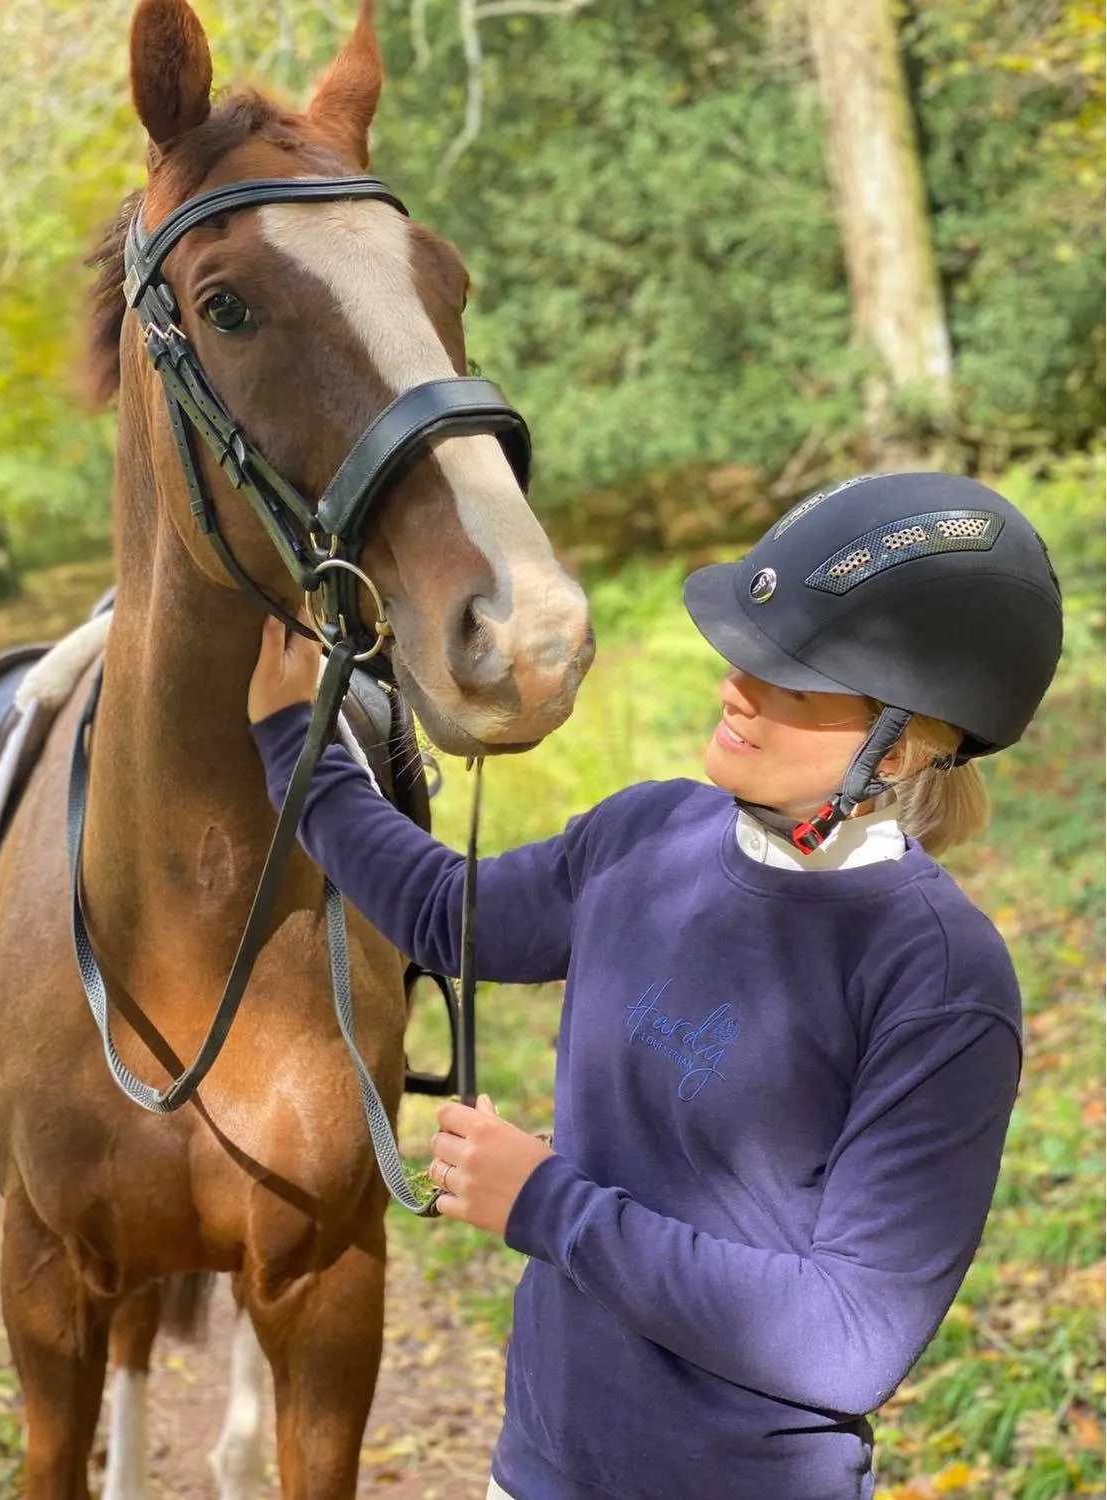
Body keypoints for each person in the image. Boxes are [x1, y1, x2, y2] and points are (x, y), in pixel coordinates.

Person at [247, 471, 1063, 1500]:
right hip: (538, 1469)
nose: (735, 687)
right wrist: (293, 740)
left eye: (790, 677)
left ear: (897, 745)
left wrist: (542, 1201)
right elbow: (437, 912)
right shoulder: (646, 833)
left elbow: (848, 1339)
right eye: (742, 656)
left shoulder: (937, 976)